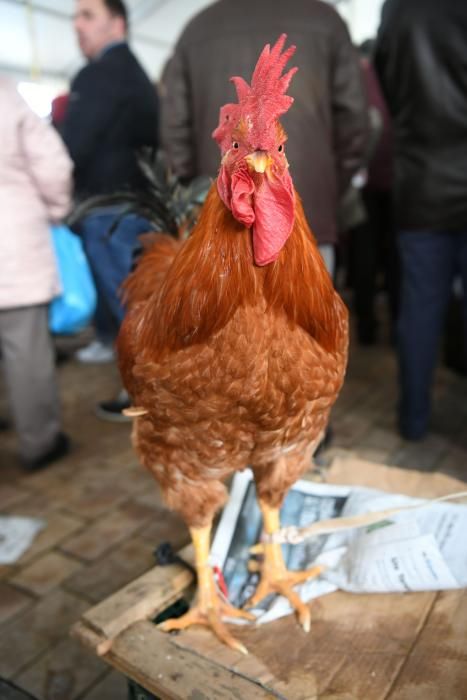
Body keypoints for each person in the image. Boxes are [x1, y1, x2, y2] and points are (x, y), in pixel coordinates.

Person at [160, 0, 368, 280]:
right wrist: (327, 189)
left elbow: (175, 135)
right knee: (308, 318)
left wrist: (204, 198)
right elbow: (354, 126)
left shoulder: (196, 29)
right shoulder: (327, 21)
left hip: (221, 225)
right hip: (308, 215)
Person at [374, 0, 467, 440]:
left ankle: (413, 419)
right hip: (436, 169)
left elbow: (388, 85)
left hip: (420, 179)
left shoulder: (397, 9)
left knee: (419, 309)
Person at [62, 0, 159, 418]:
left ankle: (146, 395)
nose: (77, 25)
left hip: (108, 208)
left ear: (117, 24)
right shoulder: (136, 73)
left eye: (88, 16)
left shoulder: (99, 74)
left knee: (129, 307)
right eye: (75, 16)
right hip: (134, 203)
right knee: (138, 301)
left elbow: (72, 147)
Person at [0, 77, 73, 470]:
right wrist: (57, 209)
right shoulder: (5, 95)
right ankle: (39, 443)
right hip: (10, 244)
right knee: (24, 348)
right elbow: (53, 164)